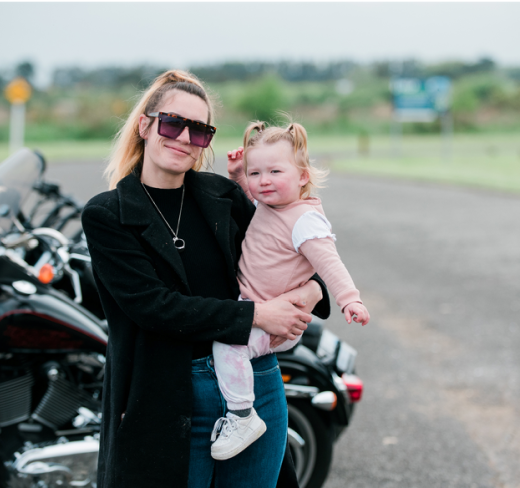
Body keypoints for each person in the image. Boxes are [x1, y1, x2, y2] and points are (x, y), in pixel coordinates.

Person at [81, 70, 330, 488]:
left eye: (198, 131)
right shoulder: (107, 215)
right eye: (173, 123)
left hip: (257, 386)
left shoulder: (223, 195)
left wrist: (311, 289)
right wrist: (255, 315)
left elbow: (294, 254)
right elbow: (153, 307)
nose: (183, 138)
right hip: (169, 393)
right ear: (145, 125)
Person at [209, 120, 370, 461]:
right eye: (256, 173)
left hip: (276, 321)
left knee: (226, 345)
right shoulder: (272, 205)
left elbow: (330, 264)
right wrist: (239, 175)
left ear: (302, 176)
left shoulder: (304, 220)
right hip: (257, 307)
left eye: (275, 172)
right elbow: (254, 201)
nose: (263, 181)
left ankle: (242, 417)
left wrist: (349, 299)